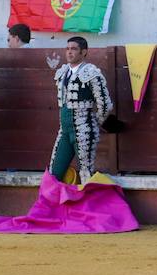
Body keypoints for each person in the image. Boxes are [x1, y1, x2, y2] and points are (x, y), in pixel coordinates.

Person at [47, 36, 113, 185]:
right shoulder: (63, 72)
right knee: (54, 172)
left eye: (74, 49)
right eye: (68, 49)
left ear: (84, 52)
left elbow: (105, 104)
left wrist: (94, 123)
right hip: (64, 131)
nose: (69, 52)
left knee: (86, 173)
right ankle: (57, 208)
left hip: (84, 129)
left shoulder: (92, 73)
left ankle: (88, 208)